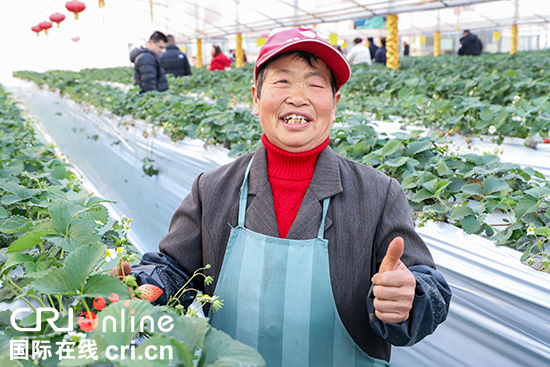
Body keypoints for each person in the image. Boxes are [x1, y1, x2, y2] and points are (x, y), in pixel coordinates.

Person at [117, 27, 452, 366]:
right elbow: (174, 268)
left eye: (315, 84)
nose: (298, 96)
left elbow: (428, 286)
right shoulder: (213, 189)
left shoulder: (378, 194)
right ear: (255, 98)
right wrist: (144, 286)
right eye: (282, 81)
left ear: (334, 103)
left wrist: (410, 299)